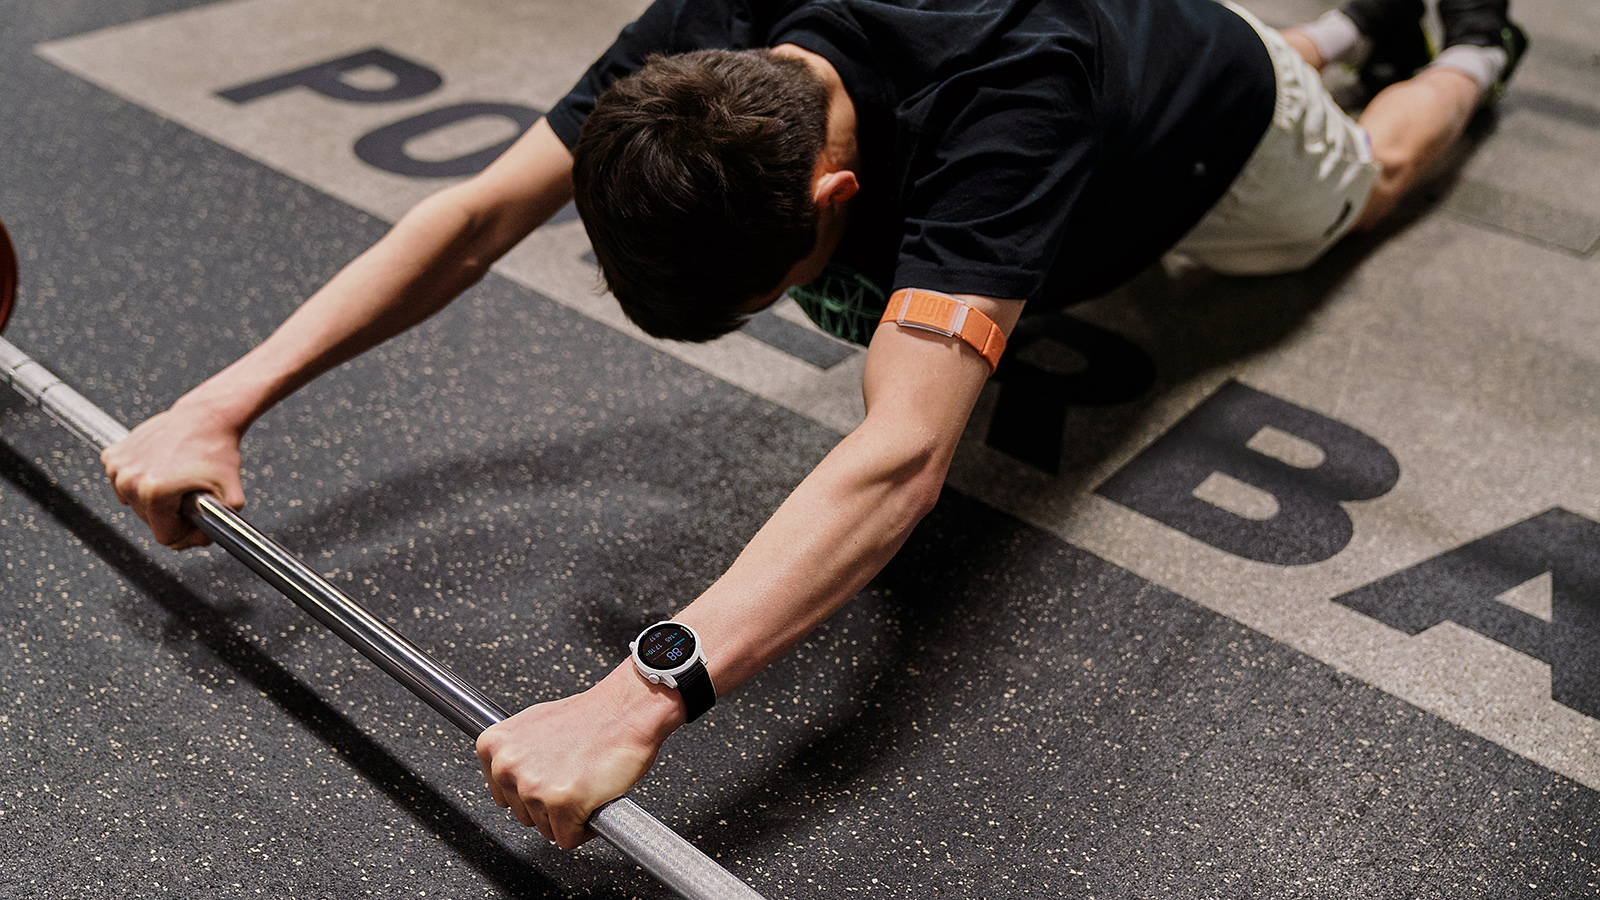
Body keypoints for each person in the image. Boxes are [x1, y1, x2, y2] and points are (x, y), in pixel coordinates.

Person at [101, 0, 1526, 850]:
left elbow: (903, 454)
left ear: (839, 210)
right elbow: (475, 215)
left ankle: (1465, 44)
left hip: (1220, 124)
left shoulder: (1003, 109)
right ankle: (1346, 23)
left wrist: (636, 696)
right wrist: (222, 402)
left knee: (1360, 186)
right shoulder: (702, 40)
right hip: (1103, 61)